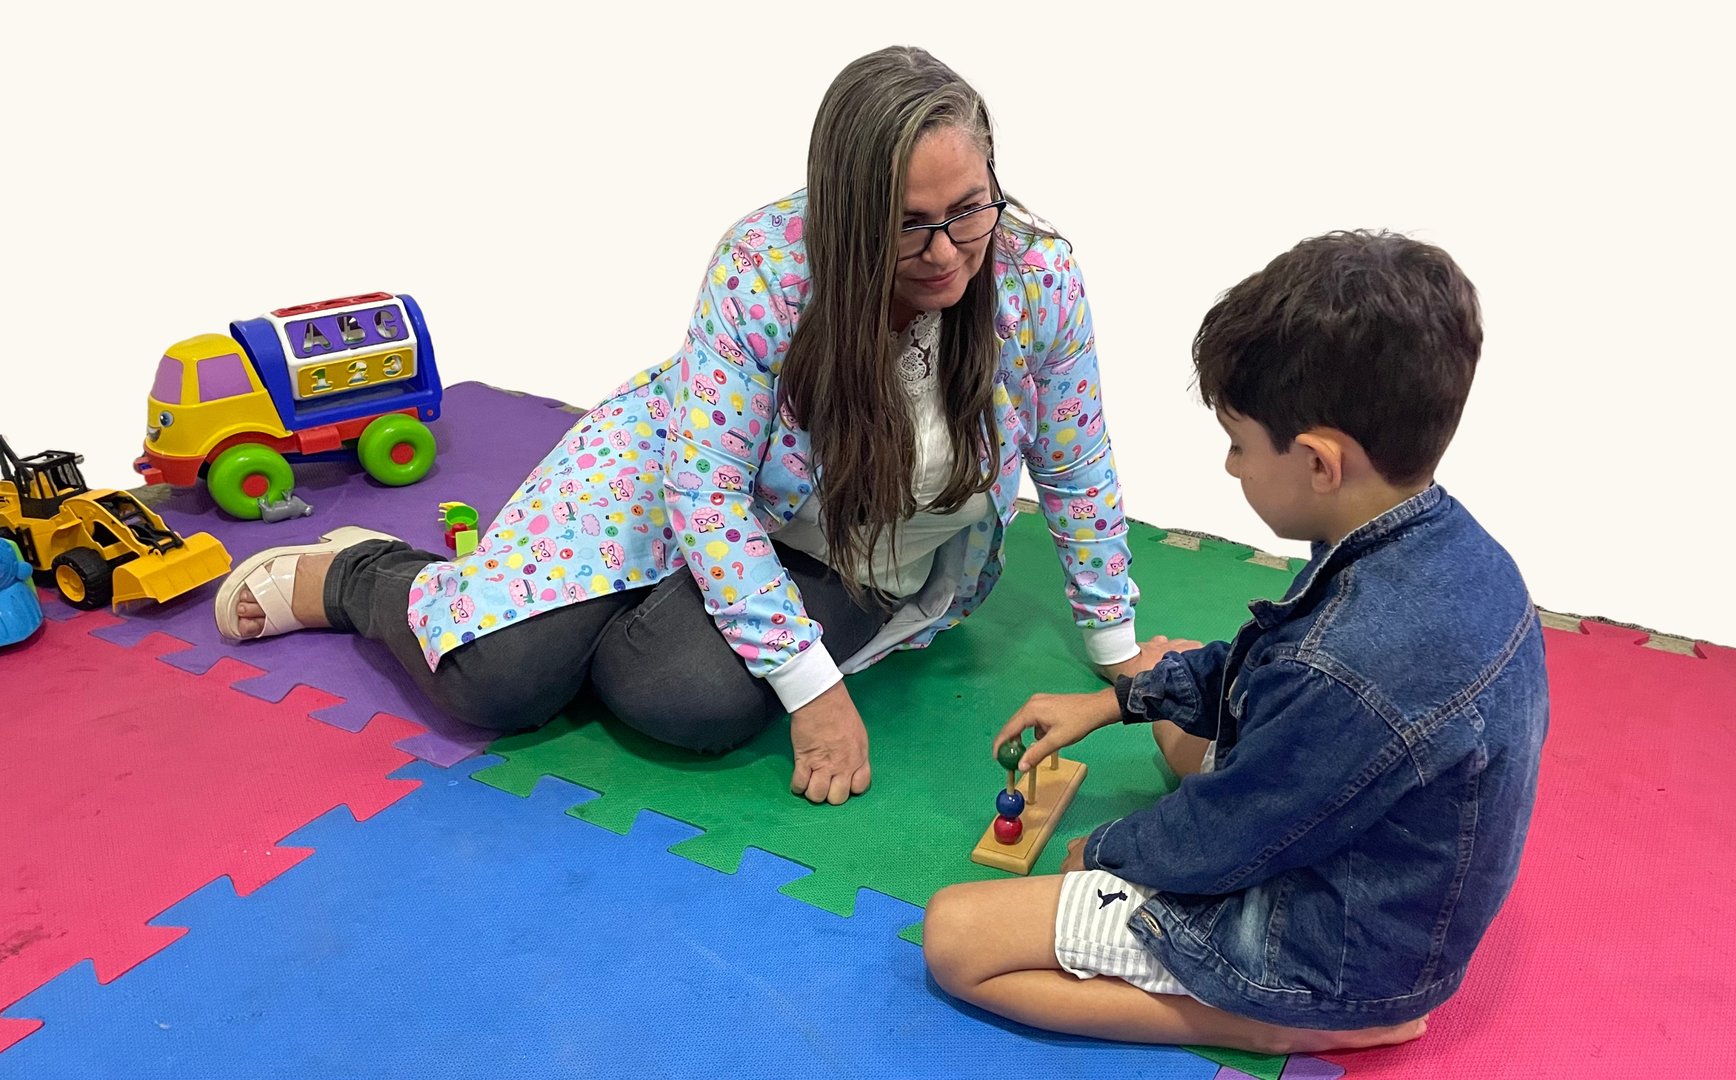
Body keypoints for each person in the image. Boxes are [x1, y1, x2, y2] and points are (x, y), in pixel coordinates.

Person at [211, 45, 1178, 804]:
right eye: (906, 223)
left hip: (843, 550)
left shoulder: (1036, 274)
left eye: (968, 210)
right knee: (491, 683)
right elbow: (704, 486)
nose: (945, 252)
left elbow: (1076, 459)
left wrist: (1116, 642)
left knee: (682, 700)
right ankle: (358, 573)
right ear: (846, 215)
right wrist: (814, 691)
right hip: (676, 475)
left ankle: (594, 624)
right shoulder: (766, 264)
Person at [922, 231, 1551, 1055]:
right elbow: (1278, 683)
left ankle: (1271, 1022)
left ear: (1320, 462)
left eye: (1239, 445)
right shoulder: (1445, 546)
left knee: (957, 938)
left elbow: (1224, 836)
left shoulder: (1345, 669)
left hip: (1336, 953)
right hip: (1392, 878)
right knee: (1167, 669)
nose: (1230, 467)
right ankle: (1301, 998)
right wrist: (1114, 702)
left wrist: (1102, 851)